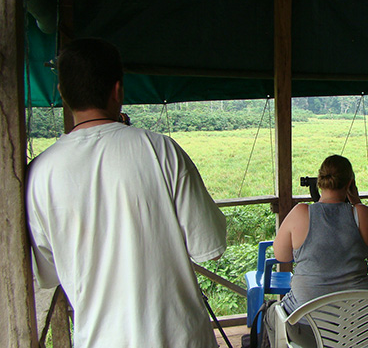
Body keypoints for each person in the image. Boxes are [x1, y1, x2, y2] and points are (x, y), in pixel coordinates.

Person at [26, 38, 228, 348]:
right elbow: (210, 245)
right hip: (180, 339)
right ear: (118, 90)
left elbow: (48, 271)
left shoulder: (40, 173)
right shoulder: (161, 150)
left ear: (62, 94)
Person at [263, 155, 368, 347]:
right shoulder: (361, 214)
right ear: (350, 183)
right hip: (358, 328)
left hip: (308, 330)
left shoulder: (301, 213)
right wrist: (357, 203)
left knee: (270, 312)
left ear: (320, 181)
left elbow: (281, 255)